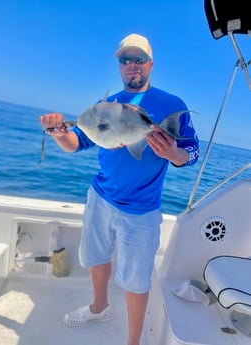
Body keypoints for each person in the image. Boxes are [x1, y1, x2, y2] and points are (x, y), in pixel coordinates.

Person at [39, 33, 199, 345]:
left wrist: (171, 153)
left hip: (141, 210)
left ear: (151, 64)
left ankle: (133, 342)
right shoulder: (105, 107)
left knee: (136, 280)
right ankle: (99, 308)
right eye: (126, 60)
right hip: (100, 196)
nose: (132, 65)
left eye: (139, 59)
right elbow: (77, 143)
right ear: (120, 66)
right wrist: (58, 134)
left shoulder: (171, 105)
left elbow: (191, 152)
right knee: (96, 257)